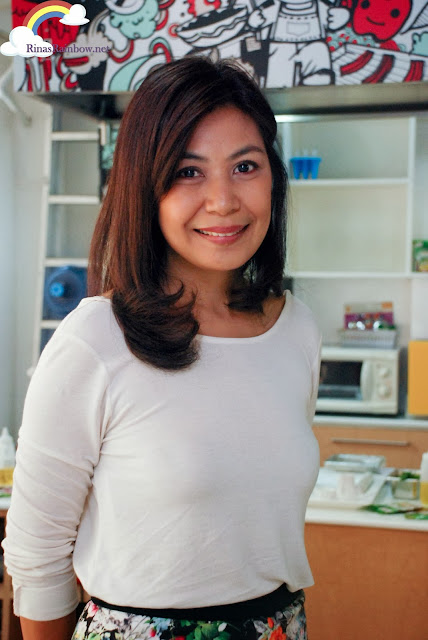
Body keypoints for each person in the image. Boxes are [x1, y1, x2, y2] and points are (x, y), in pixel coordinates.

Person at [2, 56, 322, 640]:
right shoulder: (96, 339)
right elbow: (37, 553)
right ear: (144, 187)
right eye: (188, 171)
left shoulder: (296, 329)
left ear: (273, 178)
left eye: (245, 166)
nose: (223, 201)